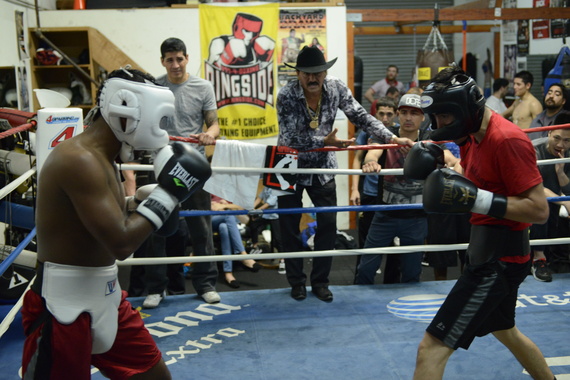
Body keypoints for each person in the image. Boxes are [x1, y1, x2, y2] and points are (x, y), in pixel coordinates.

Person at [22, 67, 211, 379]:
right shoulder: (79, 159)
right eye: (156, 116)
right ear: (125, 107)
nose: (159, 127)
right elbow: (121, 243)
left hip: (108, 294)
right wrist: (168, 194)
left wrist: (134, 204)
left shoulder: (104, 157)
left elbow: (98, 219)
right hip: (63, 307)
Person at [411, 66, 555, 380]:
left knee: (431, 348)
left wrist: (476, 199)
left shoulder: (507, 140)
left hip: (498, 262)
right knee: (506, 331)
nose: (438, 125)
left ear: (463, 110)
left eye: (443, 116)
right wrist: (445, 169)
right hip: (486, 253)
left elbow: (538, 209)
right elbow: (473, 175)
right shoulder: (469, 135)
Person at [277, 46, 414, 302]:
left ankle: (320, 282)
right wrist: (325, 142)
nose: (313, 78)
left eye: (318, 72)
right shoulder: (285, 95)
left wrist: (392, 137)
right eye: (307, 73)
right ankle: (296, 282)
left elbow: (361, 116)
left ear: (325, 72)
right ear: (297, 74)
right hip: (289, 164)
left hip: (323, 167)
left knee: (328, 225)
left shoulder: (336, 88)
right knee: (289, 226)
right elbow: (289, 138)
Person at [354, 94, 457, 284]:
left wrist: (447, 164)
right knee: (366, 267)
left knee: (411, 272)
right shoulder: (386, 134)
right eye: (404, 112)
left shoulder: (429, 139)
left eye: (414, 113)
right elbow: (372, 152)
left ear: (423, 117)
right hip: (385, 214)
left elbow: (451, 160)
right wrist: (371, 163)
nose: (409, 117)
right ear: (398, 114)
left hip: (415, 217)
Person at [155, 37, 221, 305]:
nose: (175, 64)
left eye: (179, 58)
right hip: (161, 162)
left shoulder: (202, 86)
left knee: (201, 227)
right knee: (155, 226)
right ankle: (156, 287)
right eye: (169, 59)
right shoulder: (154, 87)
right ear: (163, 61)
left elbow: (214, 124)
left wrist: (209, 135)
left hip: (192, 164)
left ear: (187, 58)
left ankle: (205, 284)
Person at [529, 111, 570, 282]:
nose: (561, 144)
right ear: (549, 133)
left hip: (557, 201)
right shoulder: (534, 150)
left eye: (567, 140)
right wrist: (565, 202)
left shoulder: (568, 154)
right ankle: (539, 259)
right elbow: (533, 186)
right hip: (532, 200)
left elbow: (568, 190)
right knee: (542, 206)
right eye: (557, 138)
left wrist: (560, 172)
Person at [211, 196, 262, 288]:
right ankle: (243, 255)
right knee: (228, 215)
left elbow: (241, 206)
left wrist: (225, 205)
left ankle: (228, 273)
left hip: (230, 219)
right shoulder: (209, 185)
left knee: (224, 228)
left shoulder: (231, 187)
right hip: (212, 217)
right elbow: (207, 205)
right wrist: (217, 206)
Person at [208, 13, 274, 67]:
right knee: (235, 44)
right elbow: (210, 70)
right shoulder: (220, 43)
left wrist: (265, 60)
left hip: (249, 81)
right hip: (226, 81)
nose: (250, 36)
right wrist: (224, 58)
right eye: (247, 31)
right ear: (237, 28)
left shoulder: (256, 46)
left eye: (254, 33)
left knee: (267, 42)